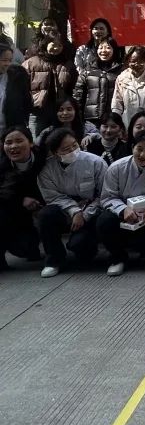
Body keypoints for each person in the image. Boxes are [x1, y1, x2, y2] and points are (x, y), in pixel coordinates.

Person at [96, 130, 145, 276]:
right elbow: (107, 198)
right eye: (139, 149)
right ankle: (117, 258)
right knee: (104, 221)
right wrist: (123, 210)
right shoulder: (116, 168)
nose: (143, 155)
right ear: (132, 147)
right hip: (122, 216)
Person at [37, 127, 106, 277]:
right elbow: (52, 196)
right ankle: (54, 260)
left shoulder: (95, 162)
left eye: (74, 145)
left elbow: (104, 195)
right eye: (66, 149)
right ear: (55, 152)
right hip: (64, 211)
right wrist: (74, 211)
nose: (73, 151)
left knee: (81, 246)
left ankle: (87, 248)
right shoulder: (47, 169)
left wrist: (85, 215)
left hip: (91, 211)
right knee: (45, 215)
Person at [0, 126, 45, 269]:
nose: (13, 146)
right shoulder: (2, 166)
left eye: (19, 141)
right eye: (8, 143)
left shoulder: (44, 160)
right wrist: (21, 200)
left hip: (44, 206)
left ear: (31, 143)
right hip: (15, 212)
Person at [23, 36, 77, 138]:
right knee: (37, 141)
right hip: (37, 111)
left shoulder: (68, 64)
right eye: (53, 45)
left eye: (60, 45)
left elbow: (73, 88)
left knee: (59, 139)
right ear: (45, 44)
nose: (56, 48)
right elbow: (22, 87)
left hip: (60, 111)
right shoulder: (31, 63)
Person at [112, 46, 145, 131]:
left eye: (140, 61)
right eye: (133, 61)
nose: (136, 64)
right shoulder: (121, 78)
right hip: (127, 127)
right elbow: (117, 104)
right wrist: (117, 124)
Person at [73, 37, 123, 127]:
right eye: (100, 48)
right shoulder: (87, 71)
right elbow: (78, 96)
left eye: (108, 47)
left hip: (113, 120)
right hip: (90, 120)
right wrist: (79, 119)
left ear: (114, 50)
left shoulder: (121, 71)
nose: (104, 51)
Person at [0, 43, 33, 133]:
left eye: (10, 60)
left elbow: (26, 103)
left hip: (10, 130)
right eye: (4, 60)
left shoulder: (17, 77)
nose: (7, 64)